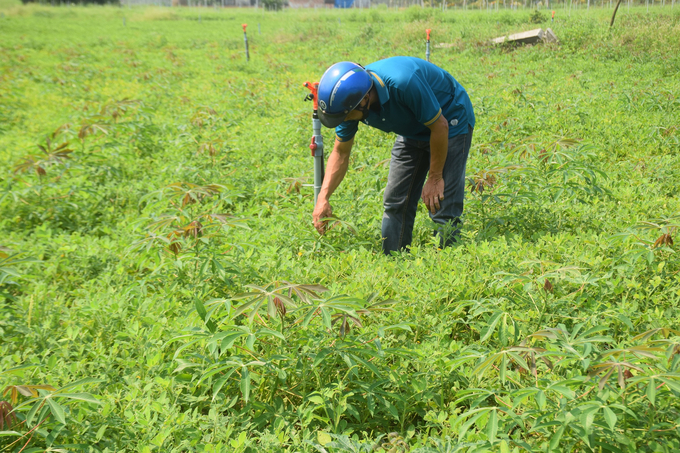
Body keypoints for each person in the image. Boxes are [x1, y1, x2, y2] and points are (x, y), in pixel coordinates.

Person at [312, 57, 475, 255]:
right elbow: (341, 152)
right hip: (412, 129)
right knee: (395, 201)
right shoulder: (348, 105)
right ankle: (394, 262)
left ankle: (448, 266)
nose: (343, 121)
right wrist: (323, 197)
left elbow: (439, 126)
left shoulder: (402, 83)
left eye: (345, 116)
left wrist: (435, 177)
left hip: (449, 120)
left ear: (364, 100)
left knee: (442, 204)